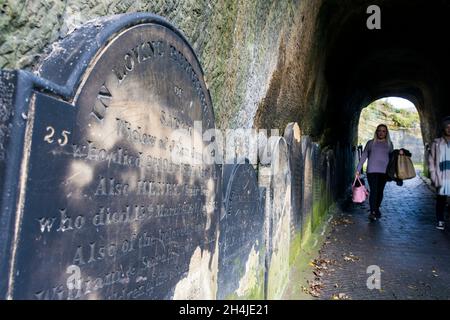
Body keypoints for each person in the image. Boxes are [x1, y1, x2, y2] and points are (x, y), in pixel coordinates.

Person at [356, 124, 394, 221]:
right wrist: (358, 169)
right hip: (372, 171)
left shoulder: (389, 144)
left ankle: (377, 208)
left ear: (386, 133)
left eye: (383, 131)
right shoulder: (370, 143)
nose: (381, 133)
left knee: (380, 191)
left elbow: (392, 159)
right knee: (374, 191)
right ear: (376, 132)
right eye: (379, 130)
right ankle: (372, 211)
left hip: (384, 172)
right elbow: (363, 156)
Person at [428, 116, 450, 230]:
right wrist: (433, 175)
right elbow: (431, 160)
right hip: (441, 175)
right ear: (443, 128)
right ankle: (440, 220)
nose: (449, 129)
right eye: (447, 127)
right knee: (441, 199)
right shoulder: (436, 143)